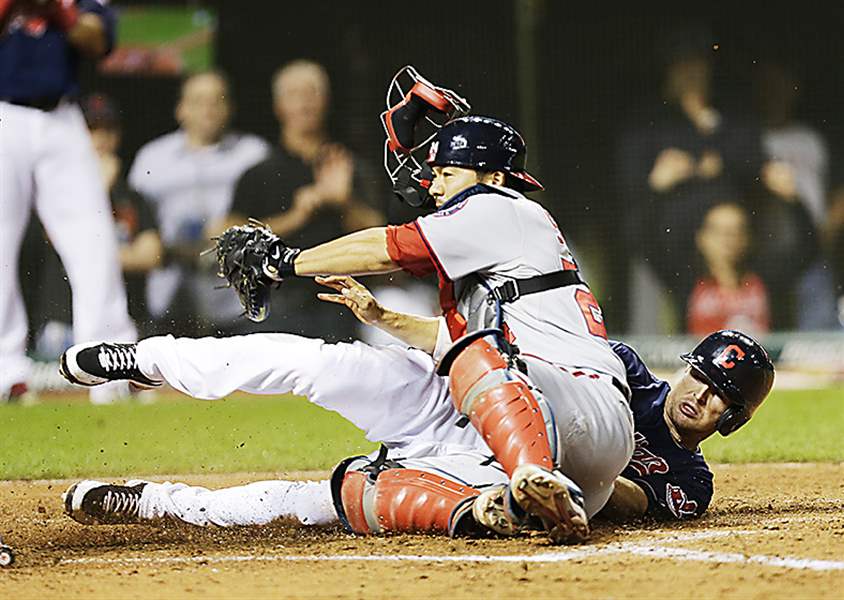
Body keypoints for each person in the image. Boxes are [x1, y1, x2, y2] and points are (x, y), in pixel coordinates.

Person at [60, 113, 636, 544]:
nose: (433, 184)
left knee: (472, 363)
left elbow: (385, 248)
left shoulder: (500, 206)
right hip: (500, 409)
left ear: (490, 174)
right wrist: (385, 319)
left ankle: (532, 480)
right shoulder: (499, 246)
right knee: (340, 475)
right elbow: (463, 345)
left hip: (564, 408)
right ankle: (153, 483)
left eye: (447, 172)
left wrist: (283, 262)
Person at [60, 326, 774, 532]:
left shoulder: (691, 480)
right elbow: (494, 352)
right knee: (317, 364)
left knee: (316, 504)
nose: (699, 398)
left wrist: (555, 485)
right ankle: (146, 358)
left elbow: (620, 498)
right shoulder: (615, 368)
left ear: (732, 422)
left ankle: (153, 500)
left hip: (493, 475)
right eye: (701, 378)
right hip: (451, 409)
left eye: (719, 400)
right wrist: (389, 319)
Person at [0, 0, 137, 403]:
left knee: (94, 238)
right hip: (3, 114)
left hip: (61, 117)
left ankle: (109, 367)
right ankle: (7, 373)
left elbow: (97, 39)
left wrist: (58, 10)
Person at [220, 59, 384, 342]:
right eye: (294, 95)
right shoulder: (258, 173)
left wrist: (343, 202)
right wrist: (297, 215)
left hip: (341, 305)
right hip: (275, 305)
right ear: (278, 106)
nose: (305, 103)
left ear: (327, 101)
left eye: (312, 93)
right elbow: (230, 239)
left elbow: (382, 236)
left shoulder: (349, 166)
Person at [128, 70, 269, 337]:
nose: (209, 110)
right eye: (199, 101)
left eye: (217, 100)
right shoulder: (151, 158)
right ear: (181, 109)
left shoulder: (254, 154)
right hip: (169, 297)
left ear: (231, 107)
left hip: (234, 304)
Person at [686, 202, 770, 337]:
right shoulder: (686, 282)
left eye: (736, 230)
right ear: (701, 238)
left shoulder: (766, 279)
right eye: (719, 231)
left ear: (748, 238)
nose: (728, 239)